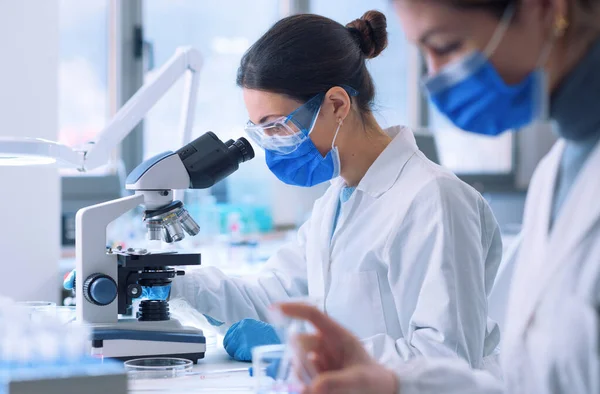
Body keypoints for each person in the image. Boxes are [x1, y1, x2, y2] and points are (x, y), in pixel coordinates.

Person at [279, 0, 600, 392]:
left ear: (547, 9)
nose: (436, 78)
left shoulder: (438, 195)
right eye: (423, 53)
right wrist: (393, 384)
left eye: (447, 46)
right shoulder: (558, 168)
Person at [167, 10, 504, 371]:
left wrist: (308, 350)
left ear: (337, 105)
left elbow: (446, 358)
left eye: (278, 127)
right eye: (261, 132)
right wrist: (173, 284)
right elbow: (273, 298)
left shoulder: (434, 200)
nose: (272, 147)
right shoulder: (337, 201)